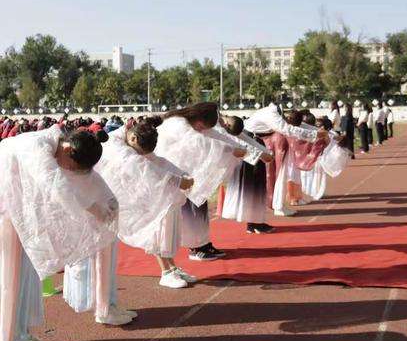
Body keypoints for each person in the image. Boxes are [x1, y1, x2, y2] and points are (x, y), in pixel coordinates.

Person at [0, 126, 118, 341]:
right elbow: (56, 185)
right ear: (67, 149)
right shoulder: (35, 147)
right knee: (9, 278)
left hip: (18, 218)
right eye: (71, 166)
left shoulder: (62, 148)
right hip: (5, 216)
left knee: (25, 277)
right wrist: (95, 209)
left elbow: (86, 178)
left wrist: (108, 201)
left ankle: (20, 334)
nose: (69, 171)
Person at [63, 120, 196, 317]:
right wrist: (177, 180)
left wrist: (179, 174)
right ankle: (103, 307)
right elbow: (144, 167)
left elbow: (153, 160)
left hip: (106, 204)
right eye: (139, 150)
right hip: (95, 206)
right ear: (132, 138)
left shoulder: (128, 139)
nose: (141, 154)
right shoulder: (118, 148)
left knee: (107, 258)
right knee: (96, 258)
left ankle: (109, 303)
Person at [155, 103, 246, 262]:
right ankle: (196, 247)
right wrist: (231, 149)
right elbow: (200, 142)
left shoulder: (188, 122)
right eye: (202, 127)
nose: (202, 130)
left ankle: (202, 243)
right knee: (188, 212)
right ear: (199, 118)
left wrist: (238, 147)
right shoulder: (178, 123)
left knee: (199, 206)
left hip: (188, 172)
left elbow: (216, 137)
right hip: (173, 175)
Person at [244, 104, 328, 217]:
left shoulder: (280, 114)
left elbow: (300, 125)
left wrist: (320, 131)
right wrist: (316, 134)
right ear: (288, 118)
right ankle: (262, 211)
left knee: (272, 175)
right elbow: (288, 129)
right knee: (260, 177)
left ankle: (273, 206)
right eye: (291, 122)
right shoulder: (273, 115)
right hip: (252, 140)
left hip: (261, 140)